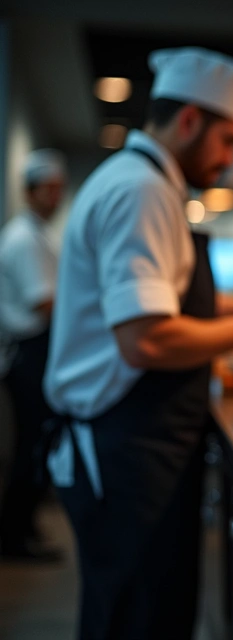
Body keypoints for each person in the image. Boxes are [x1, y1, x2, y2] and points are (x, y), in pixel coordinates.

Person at [42, 48, 233, 639]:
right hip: (122, 444)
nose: (229, 159)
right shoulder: (141, 192)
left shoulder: (148, 184)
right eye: (227, 141)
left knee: (149, 611)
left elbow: (169, 303)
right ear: (190, 120)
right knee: (134, 619)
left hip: (139, 441)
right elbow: (147, 338)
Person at [0, 149, 66, 561]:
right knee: (32, 443)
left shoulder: (39, 234)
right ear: (29, 192)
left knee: (36, 441)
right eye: (48, 189)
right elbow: (44, 304)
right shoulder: (23, 239)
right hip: (28, 351)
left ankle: (23, 528)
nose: (55, 197)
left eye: (59, 189)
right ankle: (13, 537)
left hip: (37, 349)